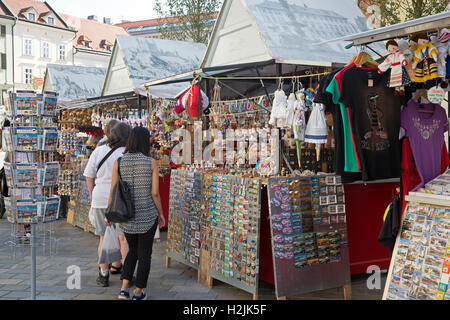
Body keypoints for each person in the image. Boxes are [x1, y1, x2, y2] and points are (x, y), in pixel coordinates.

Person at [106, 126, 165, 300]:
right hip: (147, 215)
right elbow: (154, 193)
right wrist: (160, 213)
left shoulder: (119, 161)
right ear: (145, 142)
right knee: (145, 254)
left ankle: (124, 289)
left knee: (132, 251)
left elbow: (113, 190)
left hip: (127, 217)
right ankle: (138, 292)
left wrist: (108, 213)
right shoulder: (151, 162)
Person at [84, 122, 131, 287]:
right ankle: (127, 275)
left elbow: (89, 175)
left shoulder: (99, 150)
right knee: (123, 238)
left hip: (100, 198)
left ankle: (103, 273)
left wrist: (91, 194)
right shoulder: (127, 153)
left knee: (103, 237)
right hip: (122, 201)